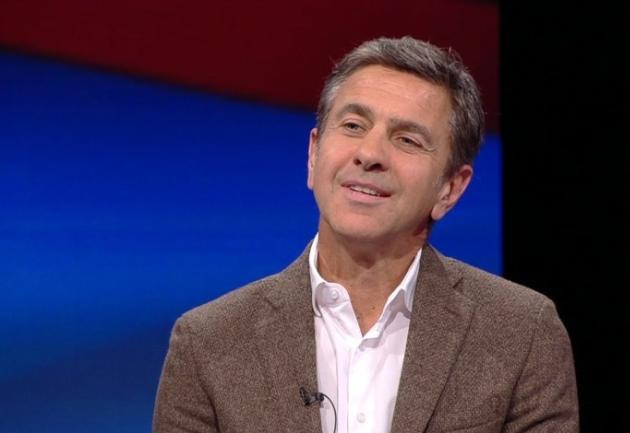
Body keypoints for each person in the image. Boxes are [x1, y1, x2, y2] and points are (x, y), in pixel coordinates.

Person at [153, 36, 579, 433]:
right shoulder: (208, 344)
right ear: (314, 154)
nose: (370, 154)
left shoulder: (522, 333)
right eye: (354, 126)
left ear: (450, 188)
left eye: (407, 139)